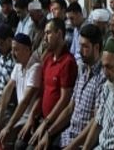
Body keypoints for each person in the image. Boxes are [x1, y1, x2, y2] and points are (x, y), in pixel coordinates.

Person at [35, 24, 106, 150]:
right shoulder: (82, 71)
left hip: (83, 142)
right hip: (68, 135)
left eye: (85, 47)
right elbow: (70, 108)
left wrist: (70, 147)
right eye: (80, 46)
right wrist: (48, 133)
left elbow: (95, 122)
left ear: (96, 47)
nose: (80, 51)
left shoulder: (103, 78)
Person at [16, 18, 77, 147]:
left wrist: (46, 124)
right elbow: (41, 93)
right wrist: (32, 116)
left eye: (48, 33)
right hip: (42, 117)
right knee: (19, 143)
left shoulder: (68, 62)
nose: (45, 38)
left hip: (56, 123)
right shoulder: (48, 59)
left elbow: (65, 99)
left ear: (59, 34)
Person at [0, 33, 41, 149]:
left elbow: (25, 101)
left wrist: (8, 127)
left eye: (16, 50)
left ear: (27, 50)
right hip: (19, 111)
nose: (13, 53)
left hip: (28, 115)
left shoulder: (35, 68)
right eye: (12, 49)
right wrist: (0, 119)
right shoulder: (18, 65)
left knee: (7, 139)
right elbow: (7, 90)